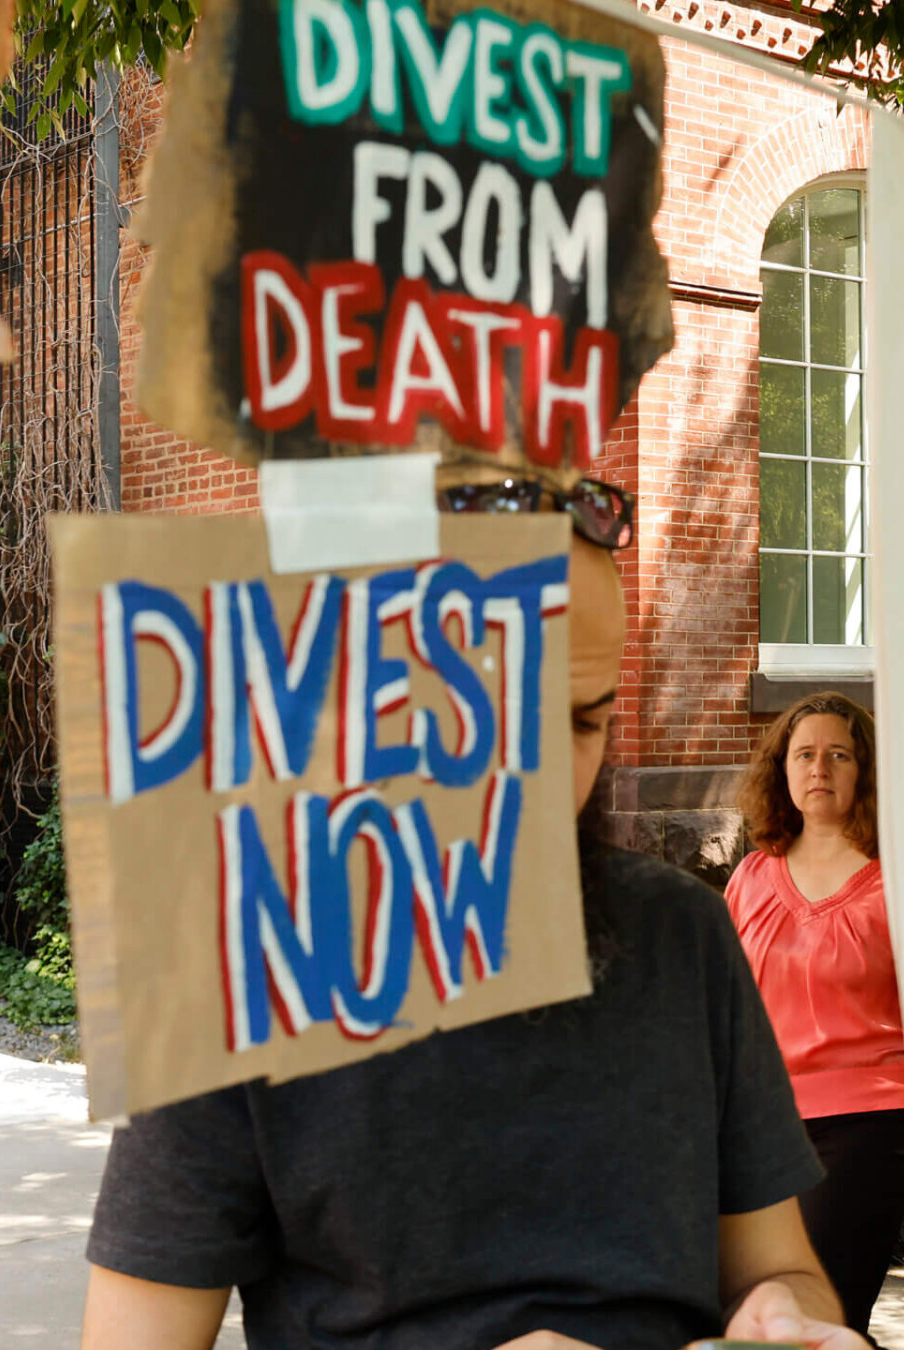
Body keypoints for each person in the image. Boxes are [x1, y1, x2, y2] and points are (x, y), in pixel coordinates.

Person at [80, 522, 864, 1350]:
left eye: (585, 719)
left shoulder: (684, 934)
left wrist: (788, 1315)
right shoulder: (232, 972)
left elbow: (781, 1269)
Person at [726, 691, 904, 1340]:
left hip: (872, 1122)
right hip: (765, 1127)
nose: (818, 768)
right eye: (804, 754)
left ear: (866, 772)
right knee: (764, 1320)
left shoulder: (903, 882)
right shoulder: (750, 878)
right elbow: (727, 1013)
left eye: (838, 755)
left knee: (819, 1317)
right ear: (783, 771)